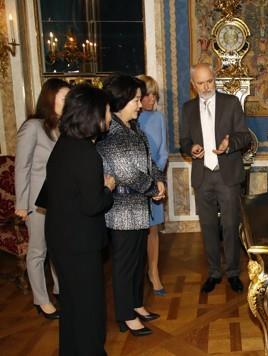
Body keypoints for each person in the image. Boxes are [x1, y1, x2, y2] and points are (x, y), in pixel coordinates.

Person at [36, 84, 115, 356]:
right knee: (90, 309)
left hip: (60, 238)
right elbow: (93, 205)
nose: (109, 116)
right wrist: (108, 189)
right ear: (93, 115)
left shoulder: (64, 143)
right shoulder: (85, 153)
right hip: (79, 244)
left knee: (71, 304)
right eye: (106, 111)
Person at [97, 75, 165, 336]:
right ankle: (125, 315)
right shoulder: (110, 133)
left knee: (137, 261)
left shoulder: (135, 128)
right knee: (124, 264)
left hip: (139, 208)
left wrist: (158, 182)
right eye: (136, 99)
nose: (141, 104)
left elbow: (150, 163)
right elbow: (126, 173)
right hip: (121, 211)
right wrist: (152, 189)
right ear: (122, 100)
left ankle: (136, 304)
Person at [180, 63, 251, 294]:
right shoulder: (188, 108)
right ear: (193, 85)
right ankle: (213, 272)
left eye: (209, 81)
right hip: (202, 176)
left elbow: (244, 137)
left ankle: (232, 272)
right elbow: (184, 142)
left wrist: (230, 144)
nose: (206, 86)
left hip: (227, 174)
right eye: (200, 83)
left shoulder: (230, 103)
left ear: (215, 78)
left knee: (230, 225)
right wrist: (191, 149)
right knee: (208, 226)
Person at [15, 78, 70, 319]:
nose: (68, 102)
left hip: (60, 202)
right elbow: (21, 167)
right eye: (64, 98)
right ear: (51, 98)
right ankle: (41, 299)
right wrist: (21, 205)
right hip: (36, 204)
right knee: (38, 251)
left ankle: (60, 290)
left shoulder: (64, 127)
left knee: (58, 248)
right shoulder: (33, 127)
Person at [136, 75, 168, 296]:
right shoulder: (128, 118)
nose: (150, 100)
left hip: (154, 180)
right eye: (146, 95)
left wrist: (155, 178)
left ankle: (153, 272)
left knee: (153, 229)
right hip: (133, 183)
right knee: (137, 231)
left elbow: (164, 150)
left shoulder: (159, 118)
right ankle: (136, 272)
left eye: (154, 95)